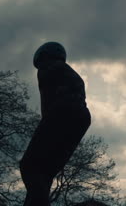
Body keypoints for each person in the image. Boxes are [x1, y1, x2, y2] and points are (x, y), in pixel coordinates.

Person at [20, 42, 91, 206]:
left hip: (62, 112)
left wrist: (46, 124)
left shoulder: (47, 68)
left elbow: (47, 103)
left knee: (29, 166)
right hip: (82, 117)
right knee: (46, 172)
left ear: (43, 56)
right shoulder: (72, 73)